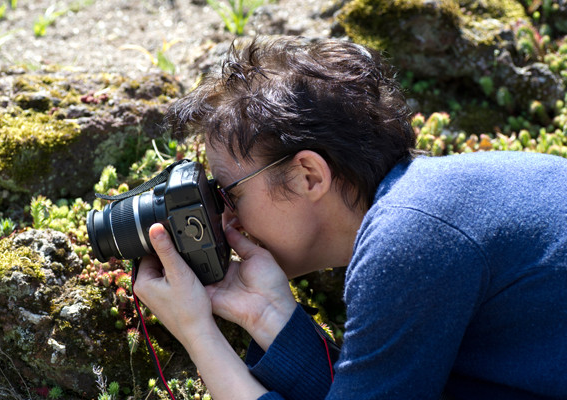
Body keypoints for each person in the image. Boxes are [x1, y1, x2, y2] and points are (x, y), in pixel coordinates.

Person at [133, 36, 567, 400]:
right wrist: (265, 314)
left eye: (231, 193)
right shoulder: (429, 206)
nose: (227, 220)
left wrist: (198, 334)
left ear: (308, 175)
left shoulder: (410, 240)